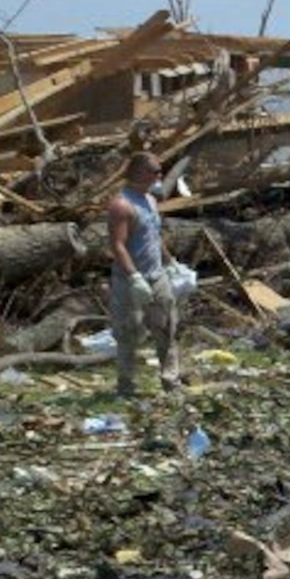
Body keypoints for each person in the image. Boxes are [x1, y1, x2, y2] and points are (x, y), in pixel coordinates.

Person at [107, 151, 180, 397]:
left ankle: (171, 382)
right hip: (130, 281)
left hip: (157, 276)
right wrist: (134, 277)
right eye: (155, 171)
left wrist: (171, 262)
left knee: (166, 329)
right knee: (128, 334)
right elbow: (117, 244)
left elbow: (153, 235)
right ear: (139, 172)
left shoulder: (149, 200)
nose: (160, 176)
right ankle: (126, 387)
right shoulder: (121, 205)